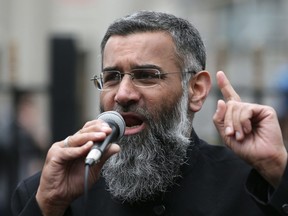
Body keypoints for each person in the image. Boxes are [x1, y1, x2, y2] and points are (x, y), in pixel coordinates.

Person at [11, 11, 288, 216]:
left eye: (146, 75)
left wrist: (277, 167)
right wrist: (48, 205)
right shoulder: (51, 192)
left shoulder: (252, 185)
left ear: (196, 90)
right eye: (111, 77)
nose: (122, 94)